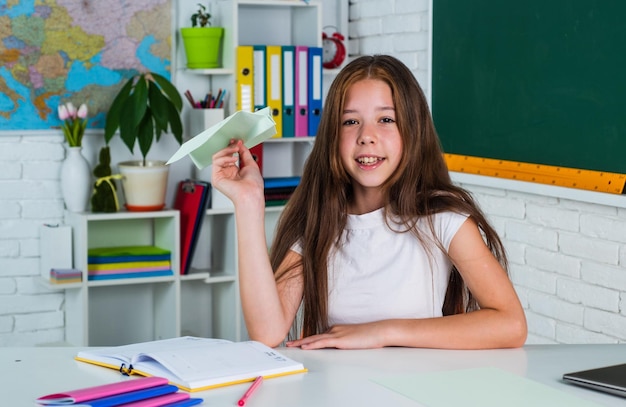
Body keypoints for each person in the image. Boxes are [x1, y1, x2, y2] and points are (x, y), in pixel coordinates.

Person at [211, 55, 527, 350]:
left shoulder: (442, 219)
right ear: (332, 137)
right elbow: (267, 332)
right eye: (350, 122)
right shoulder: (318, 224)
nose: (366, 136)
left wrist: (381, 331)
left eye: (386, 120)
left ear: (412, 130)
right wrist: (249, 203)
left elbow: (511, 324)